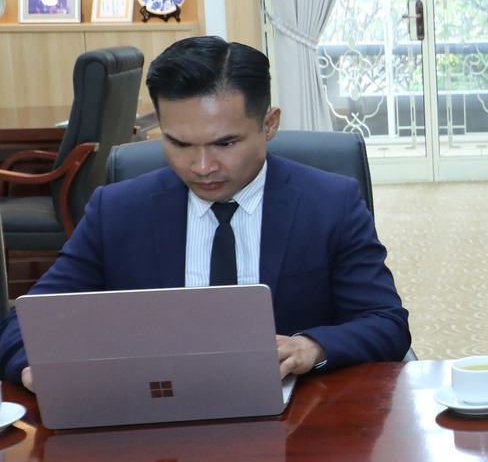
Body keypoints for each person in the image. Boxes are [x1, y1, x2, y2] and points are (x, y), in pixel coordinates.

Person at [0, 36, 410, 390]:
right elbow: (26, 323)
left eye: (224, 144)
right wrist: (33, 370)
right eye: (180, 144)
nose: (201, 167)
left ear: (269, 124)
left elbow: (386, 323)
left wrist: (312, 346)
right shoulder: (118, 210)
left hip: (296, 417)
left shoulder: (330, 203)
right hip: (153, 415)